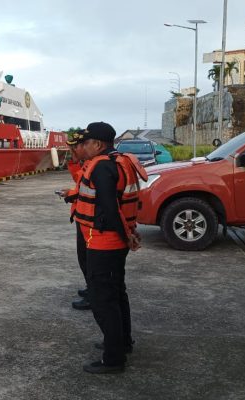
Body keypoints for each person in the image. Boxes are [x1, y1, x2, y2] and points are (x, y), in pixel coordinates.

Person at [72, 121, 146, 374]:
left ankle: (113, 358)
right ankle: (122, 342)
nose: (84, 146)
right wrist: (129, 233)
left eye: (87, 142)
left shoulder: (102, 167)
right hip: (113, 240)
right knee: (116, 293)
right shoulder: (119, 161)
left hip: (104, 240)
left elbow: (110, 207)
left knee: (103, 299)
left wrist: (126, 236)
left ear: (98, 144)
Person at [59, 130, 90, 311]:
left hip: (90, 221)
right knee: (84, 258)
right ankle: (91, 289)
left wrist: (70, 194)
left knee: (88, 260)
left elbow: (83, 188)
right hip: (83, 217)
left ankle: (94, 295)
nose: (73, 152)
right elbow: (79, 181)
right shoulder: (86, 163)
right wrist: (73, 160)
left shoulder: (95, 166)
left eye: (74, 149)